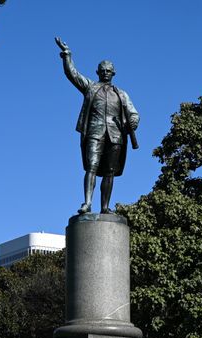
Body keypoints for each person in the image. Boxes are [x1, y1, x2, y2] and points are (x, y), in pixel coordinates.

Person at [55, 37, 140, 215]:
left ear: (114, 73)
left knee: (110, 172)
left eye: (109, 70)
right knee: (91, 166)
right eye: (103, 70)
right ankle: (87, 203)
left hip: (116, 135)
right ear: (97, 72)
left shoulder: (121, 94)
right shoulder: (91, 87)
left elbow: (133, 113)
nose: (106, 73)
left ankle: (105, 207)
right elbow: (73, 75)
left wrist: (133, 120)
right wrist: (67, 56)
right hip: (95, 131)